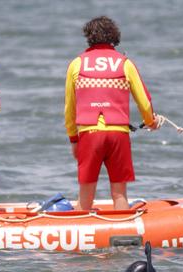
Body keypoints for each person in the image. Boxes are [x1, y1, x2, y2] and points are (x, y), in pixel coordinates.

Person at [64, 16, 164, 211]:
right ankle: (125, 238)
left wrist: (73, 139)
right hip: (118, 134)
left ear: (89, 37)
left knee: (85, 196)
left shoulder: (76, 64)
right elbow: (144, 101)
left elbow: (69, 108)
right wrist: (150, 121)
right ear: (114, 37)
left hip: (89, 134)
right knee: (119, 193)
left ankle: (81, 237)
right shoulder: (125, 63)